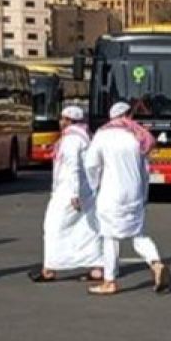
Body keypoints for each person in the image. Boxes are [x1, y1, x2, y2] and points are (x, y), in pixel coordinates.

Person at [84, 101, 170, 296]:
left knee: (110, 236)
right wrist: (143, 194)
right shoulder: (137, 135)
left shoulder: (103, 135)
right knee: (138, 234)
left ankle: (110, 281)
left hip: (111, 193)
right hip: (135, 193)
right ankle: (156, 263)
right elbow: (145, 170)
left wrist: (94, 185)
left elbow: (91, 165)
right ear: (128, 115)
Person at [31, 105, 104, 283]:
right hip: (85, 190)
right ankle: (97, 268)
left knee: (53, 226)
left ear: (70, 121)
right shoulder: (85, 137)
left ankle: (49, 269)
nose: (60, 122)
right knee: (87, 228)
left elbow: (72, 166)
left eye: (63, 118)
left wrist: (73, 193)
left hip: (70, 191)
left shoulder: (71, 139)